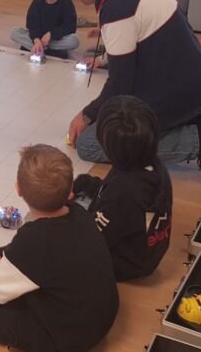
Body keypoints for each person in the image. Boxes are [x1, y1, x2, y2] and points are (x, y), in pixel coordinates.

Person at [49, 0, 201, 184]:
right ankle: (192, 123)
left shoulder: (118, 8)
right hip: (192, 81)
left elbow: (120, 87)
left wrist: (86, 115)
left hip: (180, 93)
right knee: (108, 118)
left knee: (89, 144)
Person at [0, 144, 119, 352]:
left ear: (18, 189)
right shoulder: (80, 213)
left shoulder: (35, 240)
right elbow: (46, 255)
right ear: (70, 191)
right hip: (102, 316)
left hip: (66, 340)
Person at [72, 96, 172, 281]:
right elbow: (112, 195)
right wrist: (87, 184)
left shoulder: (122, 193)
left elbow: (91, 242)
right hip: (143, 250)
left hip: (125, 263)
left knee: (54, 231)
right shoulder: (151, 164)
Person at [10, 0, 80, 58]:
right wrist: (36, 40)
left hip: (55, 39)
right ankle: (42, 48)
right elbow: (32, 25)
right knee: (14, 32)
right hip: (38, 37)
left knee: (74, 40)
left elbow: (70, 27)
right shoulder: (37, 2)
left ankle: (39, 49)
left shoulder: (67, 3)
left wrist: (51, 34)